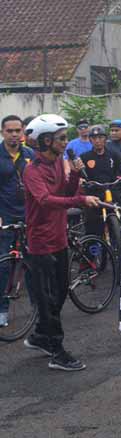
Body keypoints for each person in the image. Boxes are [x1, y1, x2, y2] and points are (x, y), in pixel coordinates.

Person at [23, 114, 100, 371]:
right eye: (61, 138)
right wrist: (80, 200)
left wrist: (76, 177)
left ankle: (40, 336)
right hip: (40, 242)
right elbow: (45, 200)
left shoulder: (58, 162)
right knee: (47, 297)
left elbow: (65, 193)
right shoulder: (32, 170)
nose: (66, 143)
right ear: (46, 141)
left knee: (62, 290)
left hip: (59, 237)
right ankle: (57, 351)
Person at [0, 115, 35, 327]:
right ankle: (2, 309)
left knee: (32, 264)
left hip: (29, 217)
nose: (14, 134)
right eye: (9, 131)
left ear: (22, 132)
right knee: (4, 264)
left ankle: (37, 308)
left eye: (17, 130)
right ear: (3, 132)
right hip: (6, 217)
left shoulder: (30, 154)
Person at [80, 126, 121, 237]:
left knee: (119, 221)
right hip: (94, 195)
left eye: (100, 137)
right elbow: (79, 175)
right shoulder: (85, 157)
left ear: (105, 139)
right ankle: (92, 248)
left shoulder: (113, 155)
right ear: (90, 140)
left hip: (112, 193)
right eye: (94, 138)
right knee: (93, 227)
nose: (97, 141)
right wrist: (80, 180)